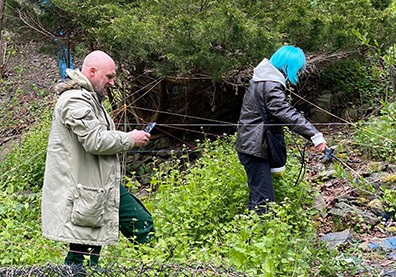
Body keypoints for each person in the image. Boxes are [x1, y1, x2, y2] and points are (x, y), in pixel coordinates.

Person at [41, 50, 155, 266]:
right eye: (109, 77)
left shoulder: (90, 98)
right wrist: (130, 139)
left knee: (140, 224)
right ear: (92, 72)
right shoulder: (74, 100)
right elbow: (95, 141)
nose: (112, 83)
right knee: (84, 251)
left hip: (99, 185)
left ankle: (155, 265)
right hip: (84, 189)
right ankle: (154, 265)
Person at [235, 46, 327, 215]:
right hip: (254, 149)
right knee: (264, 201)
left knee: (258, 196)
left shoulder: (262, 81)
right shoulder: (270, 85)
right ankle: (261, 237)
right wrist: (315, 135)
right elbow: (286, 113)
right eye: (297, 70)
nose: (298, 74)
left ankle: (248, 233)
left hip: (251, 146)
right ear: (288, 66)